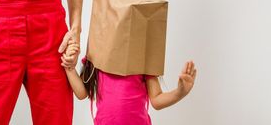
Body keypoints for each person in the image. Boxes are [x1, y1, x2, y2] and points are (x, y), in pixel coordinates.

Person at [62, 40, 197, 125]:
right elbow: (82, 93)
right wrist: (70, 68)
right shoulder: (98, 55)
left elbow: (156, 100)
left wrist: (180, 92)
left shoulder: (142, 58)